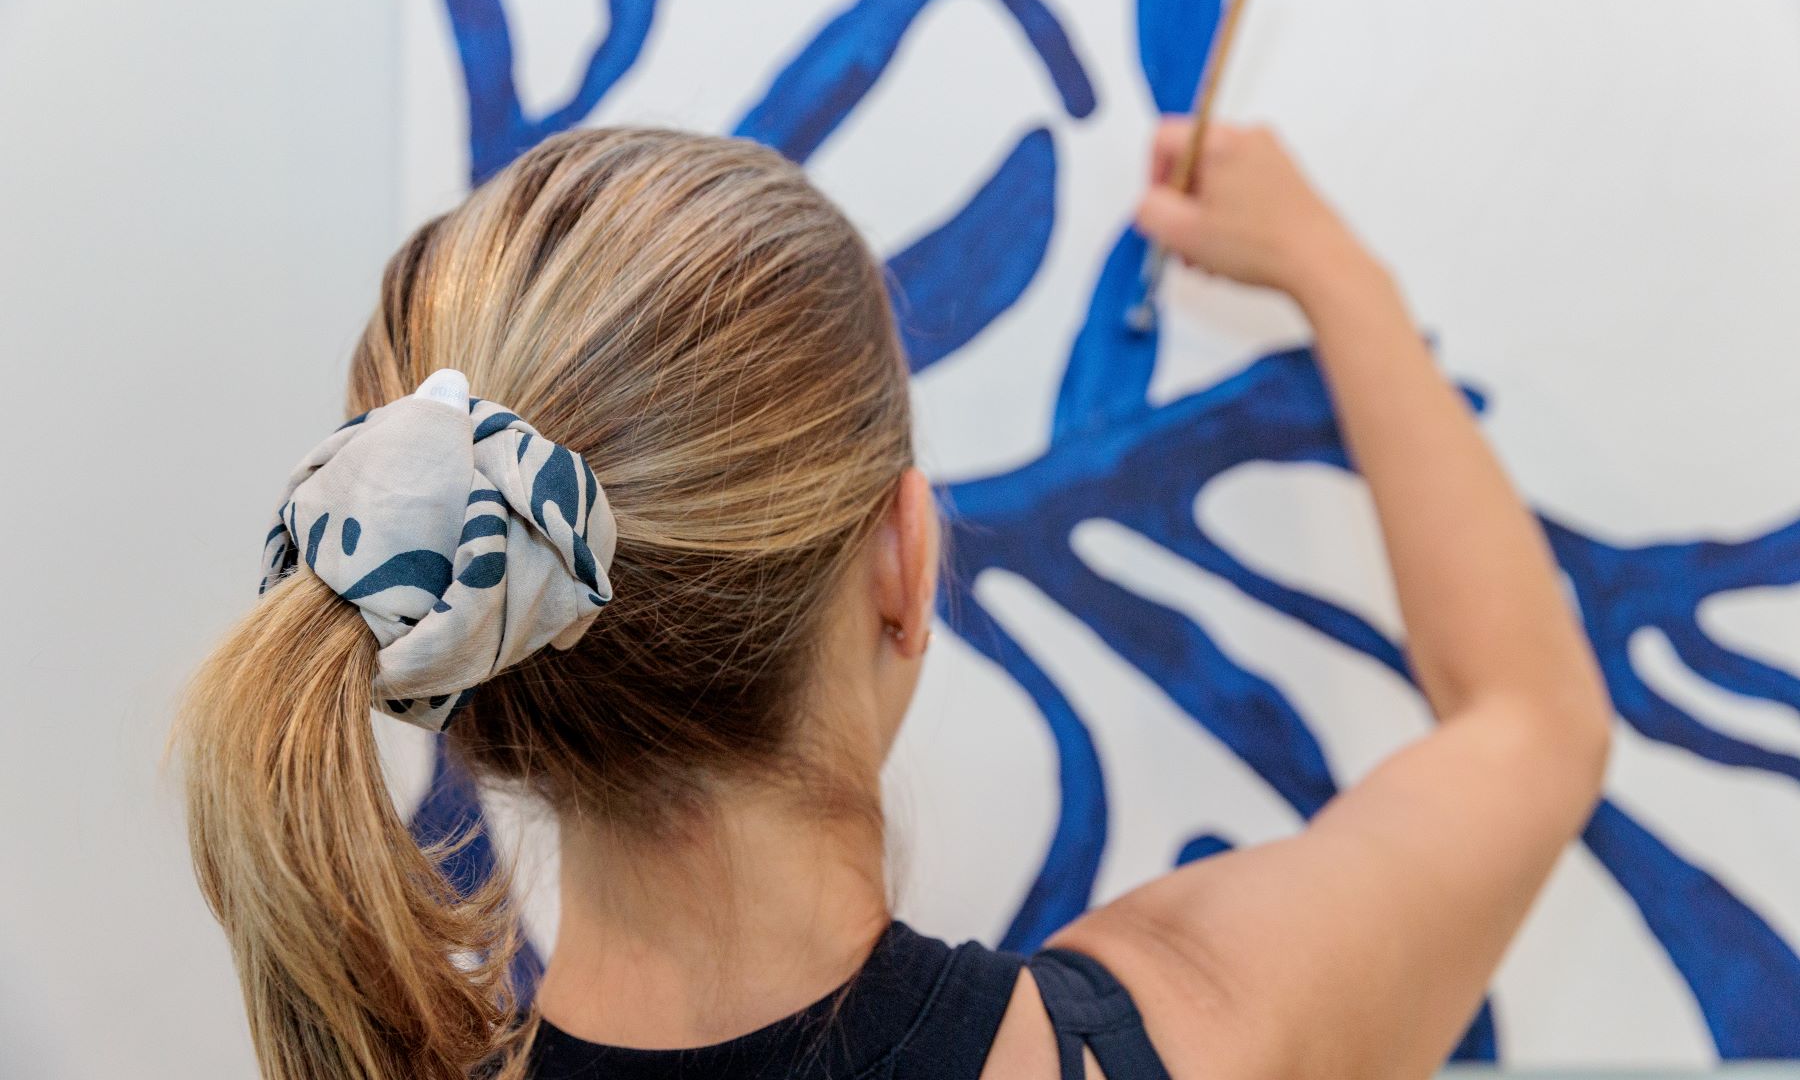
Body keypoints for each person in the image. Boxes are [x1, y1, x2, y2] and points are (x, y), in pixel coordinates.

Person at [174, 119, 1612, 1080]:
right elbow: (1533, 724)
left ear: (476, 675)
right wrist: (1331, 273)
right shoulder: (1184, 1034)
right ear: (905, 563)